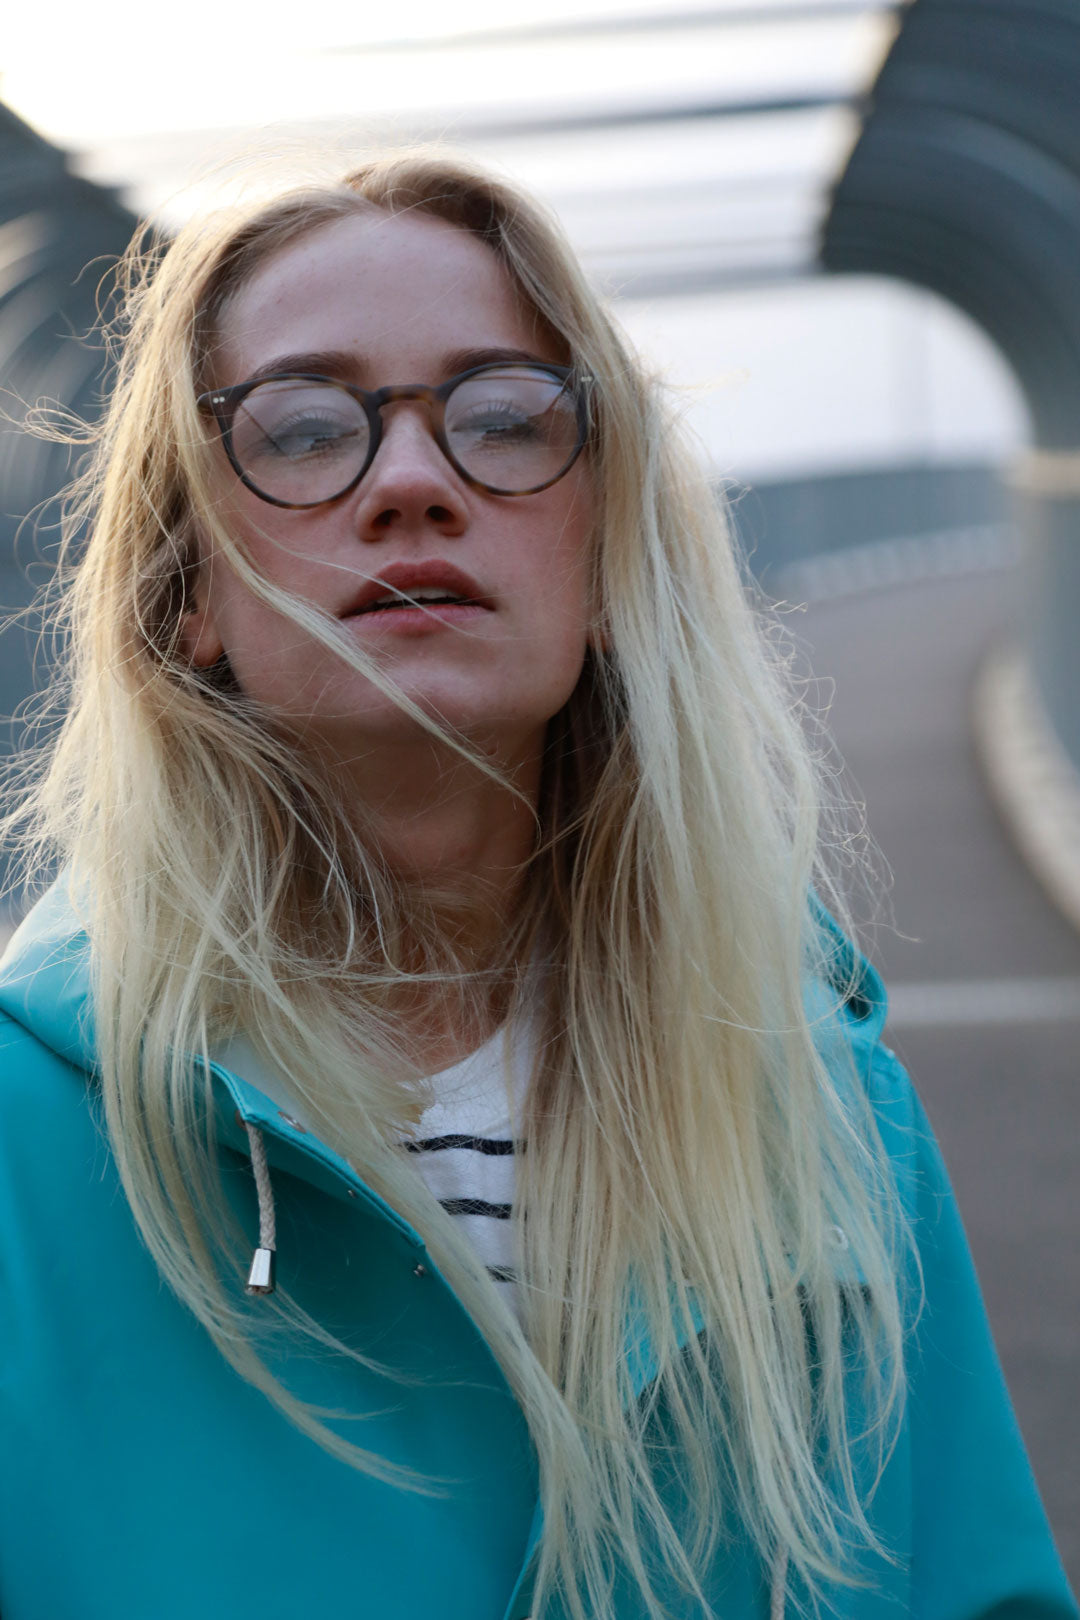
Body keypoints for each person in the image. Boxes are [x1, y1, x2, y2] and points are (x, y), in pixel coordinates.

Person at [0, 150, 1074, 1620]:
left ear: (608, 545)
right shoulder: (23, 1141)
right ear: (188, 589)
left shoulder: (816, 1101)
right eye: (305, 429)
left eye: (505, 418)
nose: (413, 482)